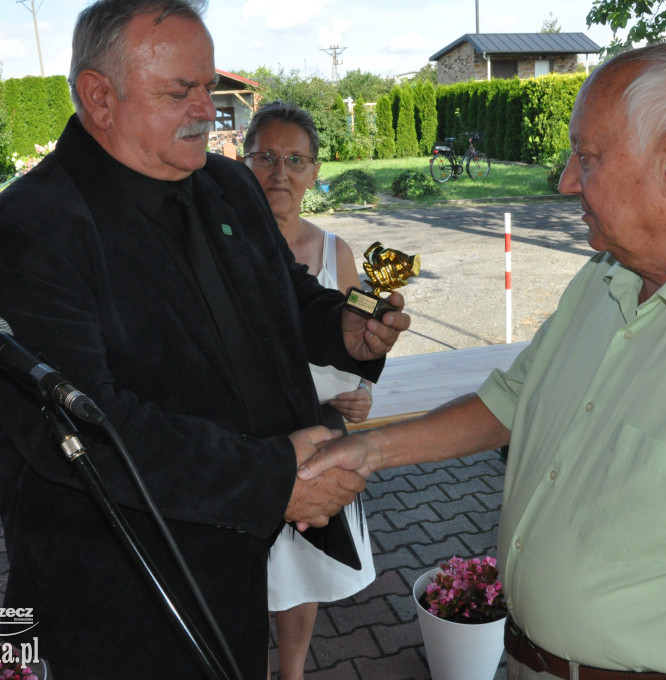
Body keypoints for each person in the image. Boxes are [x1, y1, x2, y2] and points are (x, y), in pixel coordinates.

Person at [300, 41, 666, 680]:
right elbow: (511, 401)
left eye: (587, 158)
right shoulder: (604, 279)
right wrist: (369, 450)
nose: (564, 181)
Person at [0, 1, 409, 678]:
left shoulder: (226, 184)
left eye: (209, 87)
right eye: (181, 91)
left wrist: (343, 329)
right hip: (122, 593)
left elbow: (283, 292)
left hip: (236, 559)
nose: (207, 109)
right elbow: (85, 429)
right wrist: (271, 480)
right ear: (100, 97)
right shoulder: (22, 235)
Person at [242, 100, 375, 680]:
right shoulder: (224, 252)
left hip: (319, 438)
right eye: (266, 156)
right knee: (246, 571)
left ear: (315, 171)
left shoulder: (335, 252)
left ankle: (290, 673)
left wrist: (363, 393)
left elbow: (356, 350)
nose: (280, 172)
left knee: (301, 569)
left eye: (296, 159)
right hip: (248, 438)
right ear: (244, 162)